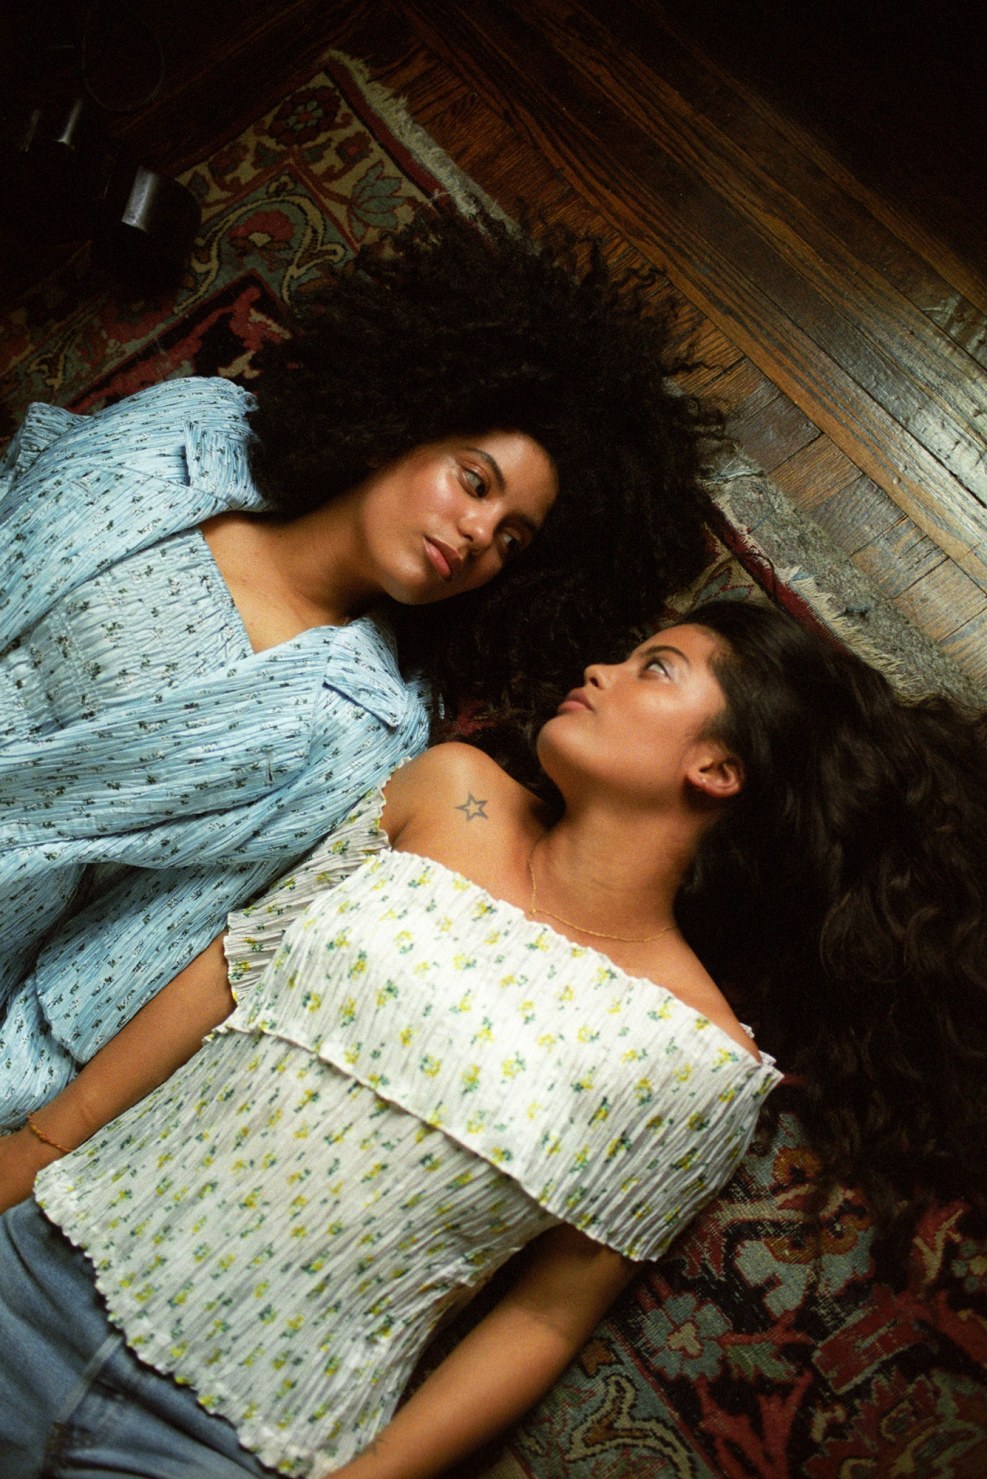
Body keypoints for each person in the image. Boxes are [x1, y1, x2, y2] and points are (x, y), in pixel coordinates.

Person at [1, 598, 983, 1478]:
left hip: (228, 1437)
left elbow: (545, 1314)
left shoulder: (699, 1061)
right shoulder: (449, 795)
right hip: (40, 1262)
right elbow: (229, 971)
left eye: (655, 668)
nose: (602, 669)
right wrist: (32, 1150)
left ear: (717, 768)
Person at [0, 206, 719, 1126]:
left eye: (512, 539)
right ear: (403, 425)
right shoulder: (196, 430)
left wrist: (27, 1107)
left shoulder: (362, 729)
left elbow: (151, 934)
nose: (478, 534)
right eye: (474, 481)